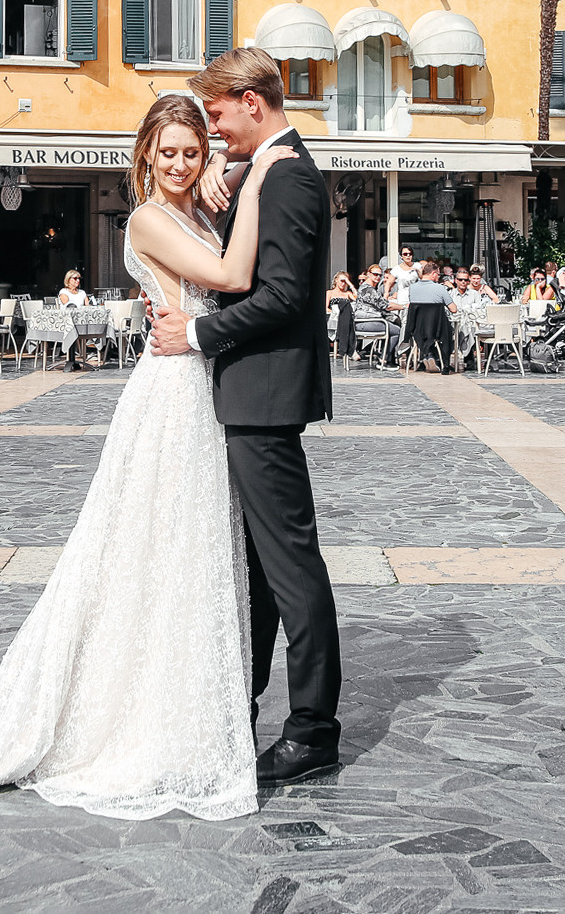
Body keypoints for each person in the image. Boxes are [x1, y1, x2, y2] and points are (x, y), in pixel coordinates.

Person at [0, 76, 322, 816]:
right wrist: (253, 177)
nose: (184, 162)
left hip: (205, 392)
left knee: (195, 555)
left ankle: (196, 695)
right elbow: (230, 276)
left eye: (194, 149)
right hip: (172, 394)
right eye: (170, 151)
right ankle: (141, 713)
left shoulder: (201, 205)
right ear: (146, 155)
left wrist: (234, 177)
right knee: (152, 548)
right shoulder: (151, 221)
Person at [154, 48, 341, 787]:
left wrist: (196, 333)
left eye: (220, 111)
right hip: (251, 396)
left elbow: (286, 296)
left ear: (251, 102)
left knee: (291, 570)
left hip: (265, 398)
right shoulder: (266, 168)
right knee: (263, 572)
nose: (216, 125)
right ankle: (250, 705)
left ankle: (312, 729)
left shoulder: (288, 172)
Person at [403, 260, 453, 373]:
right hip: (437, 330)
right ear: (433, 274)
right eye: (438, 274)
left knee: (430, 332)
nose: (438, 277)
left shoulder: (413, 288)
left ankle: (428, 355)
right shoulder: (440, 288)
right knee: (449, 331)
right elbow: (453, 309)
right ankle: (444, 363)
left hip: (418, 330)